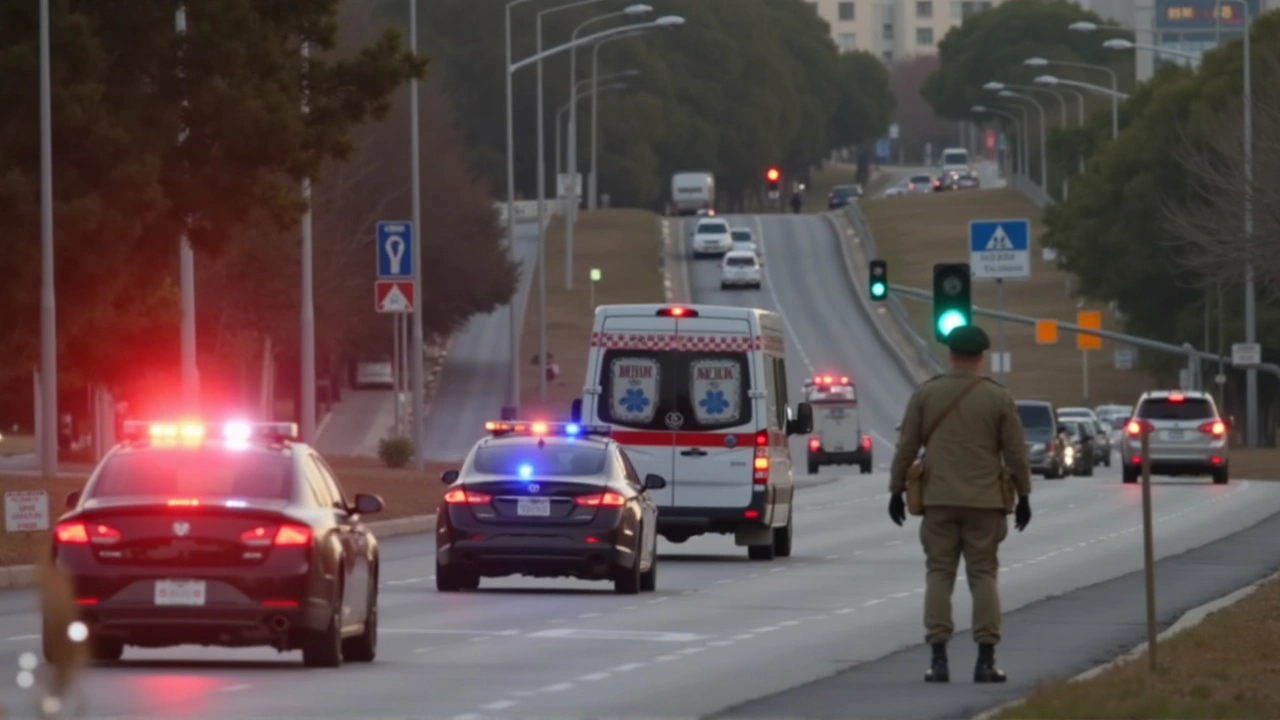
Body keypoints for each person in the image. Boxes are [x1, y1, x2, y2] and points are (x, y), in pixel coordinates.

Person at [887, 325, 1032, 684]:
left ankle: (939, 660)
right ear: (980, 358)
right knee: (983, 575)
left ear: (950, 354)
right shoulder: (998, 398)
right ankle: (986, 660)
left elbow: (906, 448)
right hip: (985, 503)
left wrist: (895, 491)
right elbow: (1015, 452)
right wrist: (1025, 495)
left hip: (938, 501)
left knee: (939, 574)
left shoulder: (927, 394)